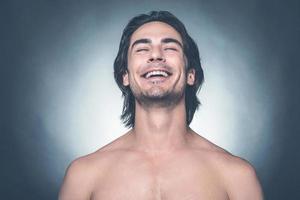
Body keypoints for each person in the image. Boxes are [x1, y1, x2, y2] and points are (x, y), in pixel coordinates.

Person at [59, 11, 263, 199]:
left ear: (191, 74)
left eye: (169, 47)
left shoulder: (236, 177)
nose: (156, 55)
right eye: (142, 49)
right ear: (125, 76)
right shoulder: (83, 176)